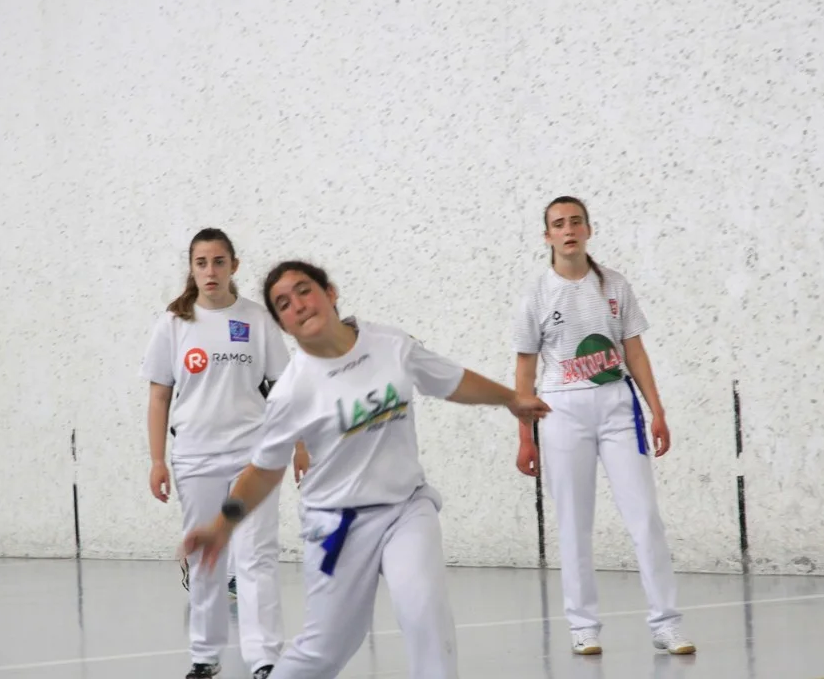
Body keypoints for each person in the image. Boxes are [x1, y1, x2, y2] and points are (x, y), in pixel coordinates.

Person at [181, 260, 551, 679]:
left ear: (330, 292)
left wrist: (511, 398)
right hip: (335, 525)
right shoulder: (291, 391)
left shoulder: (390, 344)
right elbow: (264, 470)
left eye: (304, 290)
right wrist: (223, 525)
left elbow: (450, 380)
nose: (297, 305)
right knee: (325, 649)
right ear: (283, 325)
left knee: (425, 612)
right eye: (283, 304)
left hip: (406, 508)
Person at [512, 196, 696, 656]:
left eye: (576, 221)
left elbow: (635, 352)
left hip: (618, 407)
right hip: (560, 411)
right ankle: (583, 627)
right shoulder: (535, 294)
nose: (568, 229)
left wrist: (657, 411)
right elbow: (524, 371)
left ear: (588, 230)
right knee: (574, 523)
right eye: (559, 224)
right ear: (548, 236)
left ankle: (666, 624)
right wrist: (525, 437)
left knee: (645, 518)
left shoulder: (615, 285)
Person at [142, 228, 301, 679]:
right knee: (206, 558)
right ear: (192, 269)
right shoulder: (173, 324)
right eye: (201, 263)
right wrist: (157, 460)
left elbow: (285, 390)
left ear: (234, 265)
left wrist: (301, 445)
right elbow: (158, 397)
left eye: (218, 261)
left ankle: (264, 660)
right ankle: (204, 657)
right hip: (195, 458)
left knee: (256, 555)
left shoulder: (257, 320)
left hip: (255, 457)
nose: (210, 271)